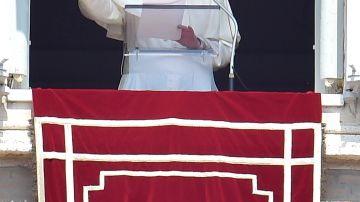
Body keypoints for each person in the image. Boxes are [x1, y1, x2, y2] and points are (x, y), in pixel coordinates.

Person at [78, 0, 240, 91]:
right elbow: (96, 7)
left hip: (195, 87)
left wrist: (198, 44)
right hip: (141, 85)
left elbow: (227, 46)